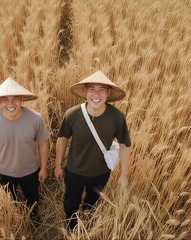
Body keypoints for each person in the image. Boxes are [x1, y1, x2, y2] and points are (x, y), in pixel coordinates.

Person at [54, 70, 132, 231]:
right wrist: (57, 166)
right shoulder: (73, 114)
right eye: (92, 89)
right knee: (71, 202)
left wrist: (124, 175)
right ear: (85, 92)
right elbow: (62, 139)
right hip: (74, 172)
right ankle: (71, 227)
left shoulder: (117, 117)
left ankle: (87, 225)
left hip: (101, 173)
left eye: (102, 90)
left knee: (93, 201)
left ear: (108, 93)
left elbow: (125, 145)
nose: (96, 94)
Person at [0, 77, 49, 223]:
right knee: (10, 202)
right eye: (5, 99)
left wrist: (43, 168)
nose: (10, 103)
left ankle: (34, 218)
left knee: (33, 199)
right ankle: (15, 222)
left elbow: (43, 143)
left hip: (31, 172)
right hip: (4, 173)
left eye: (15, 98)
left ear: (22, 99)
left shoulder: (36, 119)